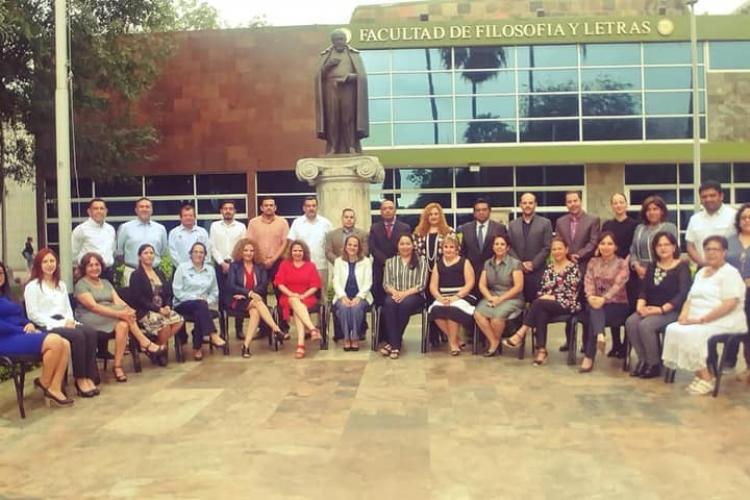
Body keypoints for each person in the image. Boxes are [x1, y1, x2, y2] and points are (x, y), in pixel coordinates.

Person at [663, 236, 748, 395]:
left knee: (693, 334)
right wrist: (683, 315)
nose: (711, 253)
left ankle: (707, 378)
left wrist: (702, 320)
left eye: (715, 249)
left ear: (724, 252)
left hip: (724, 319)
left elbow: (729, 304)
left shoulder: (730, 273)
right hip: (696, 317)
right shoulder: (701, 272)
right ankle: (700, 374)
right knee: (673, 328)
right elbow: (690, 298)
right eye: (708, 249)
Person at [75, 252, 166, 381]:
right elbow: (94, 307)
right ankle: (145, 342)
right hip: (90, 316)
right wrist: (121, 313)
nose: (94, 268)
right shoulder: (81, 285)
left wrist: (129, 310)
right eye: (90, 265)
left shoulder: (106, 282)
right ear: (84, 268)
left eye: (97, 264)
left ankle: (118, 366)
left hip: (110, 314)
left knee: (123, 324)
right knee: (124, 317)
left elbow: (118, 301)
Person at [24, 249, 100, 396]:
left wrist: (70, 321)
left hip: (65, 322)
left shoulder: (61, 285)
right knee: (78, 336)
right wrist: (60, 324)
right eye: (45, 262)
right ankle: (80, 379)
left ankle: (88, 377)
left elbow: (66, 308)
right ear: (39, 265)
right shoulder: (32, 287)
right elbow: (33, 314)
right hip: (46, 325)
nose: (49, 265)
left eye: (52, 261)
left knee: (89, 332)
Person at [0, 261, 72, 407]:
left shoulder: (7, 295)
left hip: (19, 334)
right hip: (5, 339)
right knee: (54, 342)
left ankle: (54, 387)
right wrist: (21, 329)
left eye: (0, 273)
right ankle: (45, 383)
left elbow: (18, 316)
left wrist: (28, 323)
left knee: (65, 343)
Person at [504, 238, 582, 366]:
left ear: (566, 250)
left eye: (559, 249)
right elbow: (543, 289)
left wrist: (554, 297)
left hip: (568, 304)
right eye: (554, 249)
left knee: (538, 304)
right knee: (540, 310)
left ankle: (521, 332)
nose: (557, 252)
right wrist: (546, 296)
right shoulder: (549, 268)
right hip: (547, 304)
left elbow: (572, 292)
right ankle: (541, 350)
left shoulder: (573, 268)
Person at [625, 232, 690, 379]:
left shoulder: (682, 267)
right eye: (659, 245)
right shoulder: (652, 266)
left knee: (645, 325)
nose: (663, 248)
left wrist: (661, 309)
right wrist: (640, 305)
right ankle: (644, 359)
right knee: (631, 321)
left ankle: (654, 364)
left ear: (674, 247)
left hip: (671, 310)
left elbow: (683, 294)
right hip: (651, 307)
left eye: (666, 244)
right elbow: (644, 289)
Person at [554, 190, 600, 352]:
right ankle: (569, 341)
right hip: (566, 268)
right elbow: (558, 242)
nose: (572, 204)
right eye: (569, 201)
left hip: (585, 268)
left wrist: (578, 255)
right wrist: (566, 256)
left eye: (575, 200)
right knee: (569, 304)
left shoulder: (592, 220)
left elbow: (593, 242)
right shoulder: (560, 221)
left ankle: (586, 343)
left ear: (581, 201)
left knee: (586, 307)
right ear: (566, 204)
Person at [579, 232, 630, 373]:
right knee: (594, 310)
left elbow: (618, 285)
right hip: (595, 302)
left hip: (617, 304)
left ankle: (589, 357)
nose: (606, 247)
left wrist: (604, 298)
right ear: (598, 246)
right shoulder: (593, 262)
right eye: (602, 243)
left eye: (609, 244)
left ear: (615, 247)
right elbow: (588, 281)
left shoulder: (622, 264)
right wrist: (590, 296)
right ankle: (600, 335)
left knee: (594, 314)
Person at [314, 28, 369, 155]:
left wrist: (350, 77)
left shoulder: (353, 55)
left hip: (348, 88)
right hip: (331, 88)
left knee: (348, 118)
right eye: (337, 39)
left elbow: (362, 76)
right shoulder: (326, 55)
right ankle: (333, 147)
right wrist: (327, 66)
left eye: (342, 39)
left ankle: (351, 146)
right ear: (333, 41)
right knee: (332, 119)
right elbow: (318, 76)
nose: (340, 42)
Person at [226, 238, 283, 358]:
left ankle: (246, 346)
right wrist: (249, 293)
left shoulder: (260, 266)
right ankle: (276, 329)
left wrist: (252, 294)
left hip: (254, 300)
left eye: (251, 250)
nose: (249, 253)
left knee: (256, 311)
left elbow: (263, 285)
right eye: (246, 250)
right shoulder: (234, 266)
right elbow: (231, 285)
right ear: (240, 251)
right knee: (257, 303)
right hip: (237, 300)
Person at [601, 193, 639, 358]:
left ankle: (625, 345)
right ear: (612, 206)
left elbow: (634, 247)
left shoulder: (635, 224)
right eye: (615, 203)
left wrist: (625, 263)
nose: (618, 205)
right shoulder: (608, 224)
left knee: (628, 308)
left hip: (629, 271)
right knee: (613, 305)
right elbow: (603, 245)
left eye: (621, 202)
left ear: (626, 204)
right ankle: (615, 343)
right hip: (611, 271)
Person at [379, 234, 428, 359]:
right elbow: (386, 283)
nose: (405, 246)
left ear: (412, 245)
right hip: (394, 293)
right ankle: (395, 343)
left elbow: (421, 284)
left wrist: (404, 294)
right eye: (402, 244)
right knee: (389, 304)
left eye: (408, 243)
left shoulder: (421, 261)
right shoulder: (390, 262)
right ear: (397, 246)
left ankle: (393, 344)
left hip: (414, 295)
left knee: (405, 304)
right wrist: (395, 293)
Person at [473, 234, 524, 356]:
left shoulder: (515, 263)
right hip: (492, 296)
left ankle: (493, 345)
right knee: (478, 314)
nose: (499, 247)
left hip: (511, 297)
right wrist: (490, 298)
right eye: (496, 244)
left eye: (502, 244)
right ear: (493, 246)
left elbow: (518, 287)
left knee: (497, 318)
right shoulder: (487, 263)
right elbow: (482, 285)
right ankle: (495, 342)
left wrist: (500, 299)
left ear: (507, 247)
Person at [172, 242, 223, 361]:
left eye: (201, 252)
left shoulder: (210, 270)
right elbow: (177, 292)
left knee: (199, 311)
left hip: (202, 306)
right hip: (182, 304)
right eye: (196, 252)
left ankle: (197, 348)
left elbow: (215, 292)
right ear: (191, 254)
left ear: (205, 255)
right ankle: (212, 334)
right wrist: (196, 298)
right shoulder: (182, 268)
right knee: (200, 305)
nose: (198, 254)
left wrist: (207, 300)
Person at [247, 196, 290, 337]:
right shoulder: (253, 223)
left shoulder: (282, 222)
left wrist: (273, 258)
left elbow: (285, 243)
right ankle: (264, 328)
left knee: (281, 294)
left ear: (275, 207)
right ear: (261, 208)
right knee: (260, 293)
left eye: (271, 205)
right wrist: (261, 258)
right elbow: (250, 242)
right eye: (266, 205)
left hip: (278, 262)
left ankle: (284, 325)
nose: (269, 207)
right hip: (259, 262)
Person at [128, 244, 184, 350]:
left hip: (162, 309)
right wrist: (158, 309)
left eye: (151, 253)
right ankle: (161, 349)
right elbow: (138, 298)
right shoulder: (136, 275)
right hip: (145, 311)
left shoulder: (159, 272)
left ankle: (157, 346)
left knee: (179, 320)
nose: (149, 255)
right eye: (146, 253)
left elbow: (168, 293)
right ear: (140, 257)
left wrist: (167, 306)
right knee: (165, 325)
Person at [274, 240, 322, 359]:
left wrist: (303, 295)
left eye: (300, 250)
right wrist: (292, 294)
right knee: (294, 301)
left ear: (304, 252)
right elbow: (279, 284)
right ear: (291, 252)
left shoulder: (310, 266)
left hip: (307, 296)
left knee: (297, 308)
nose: (297, 253)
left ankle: (301, 344)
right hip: (287, 296)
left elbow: (315, 285)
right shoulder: (284, 264)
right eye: (295, 250)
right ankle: (312, 329)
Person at [428, 235, 476, 356]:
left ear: (457, 249)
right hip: (443, 296)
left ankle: (453, 344)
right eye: (446, 247)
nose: (448, 249)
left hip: (463, 296)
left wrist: (456, 297)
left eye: (451, 247)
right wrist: (439, 298)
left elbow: (470, 283)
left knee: (451, 310)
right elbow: (433, 286)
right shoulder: (438, 264)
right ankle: (455, 339)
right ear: (442, 249)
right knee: (435, 310)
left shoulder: (464, 262)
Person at [209, 200, 247, 339]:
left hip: (237, 265)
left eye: (231, 208)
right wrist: (221, 263)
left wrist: (233, 263)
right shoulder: (214, 226)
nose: (228, 211)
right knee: (221, 297)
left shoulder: (241, 227)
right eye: (225, 208)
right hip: (220, 266)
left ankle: (239, 329)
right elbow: (212, 246)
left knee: (238, 295)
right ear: (221, 211)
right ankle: (223, 331)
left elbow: (243, 246)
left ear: (234, 211)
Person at [458, 198, 507, 300]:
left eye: (484, 209)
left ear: (489, 211)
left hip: (493, 274)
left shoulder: (499, 228)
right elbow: (462, 252)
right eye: (478, 210)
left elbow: (504, 250)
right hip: (471, 274)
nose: (481, 212)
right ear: (474, 213)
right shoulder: (465, 228)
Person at [508, 192, 553, 302]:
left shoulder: (545, 223)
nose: (527, 205)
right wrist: (520, 264)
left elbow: (547, 246)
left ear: (535, 204)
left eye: (530, 203)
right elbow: (509, 247)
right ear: (520, 205)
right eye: (524, 203)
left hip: (538, 271)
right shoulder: (512, 224)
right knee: (518, 303)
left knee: (537, 303)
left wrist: (533, 264)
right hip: (518, 271)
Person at [723, 203, 750, 381]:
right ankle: (728, 361)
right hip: (732, 291)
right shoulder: (729, 240)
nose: (747, 220)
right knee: (732, 326)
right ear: (738, 220)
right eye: (744, 217)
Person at [332, 235, 372, 351]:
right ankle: (346, 337)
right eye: (349, 245)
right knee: (343, 308)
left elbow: (368, 282)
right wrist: (342, 296)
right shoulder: (338, 261)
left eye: (355, 245)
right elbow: (336, 281)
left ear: (359, 247)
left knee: (356, 308)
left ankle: (355, 337)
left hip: (361, 296)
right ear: (345, 246)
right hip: (342, 295)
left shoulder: (366, 261)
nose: (352, 247)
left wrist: (359, 297)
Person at [368, 199, 411, 308]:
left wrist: (394, 262)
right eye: (384, 208)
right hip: (380, 269)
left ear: (395, 210)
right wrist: (386, 261)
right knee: (381, 303)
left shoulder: (404, 227)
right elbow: (373, 248)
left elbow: (406, 246)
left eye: (390, 208)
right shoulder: (374, 228)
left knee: (396, 301)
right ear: (381, 212)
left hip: (399, 269)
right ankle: (381, 325)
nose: (387, 211)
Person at [686, 180, 737, 268]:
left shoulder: (734, 216)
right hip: (703, 268)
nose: (708, 199)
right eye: (704, 197)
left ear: (721, 196)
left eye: (712, 196)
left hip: (729, 267)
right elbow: (690, 246)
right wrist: (702, 262)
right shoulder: (694, 219)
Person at [116, 197, 168, 281]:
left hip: (154, 271)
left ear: (152, 210)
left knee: (156, 294)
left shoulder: (160, 229)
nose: (144, 209)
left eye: (147, 207)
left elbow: (163, 251)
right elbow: (119, 251)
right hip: (132, 271)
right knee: (132, 294)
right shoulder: (125, 227)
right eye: (141, 207)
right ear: (136, 210)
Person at [629, 195, 679, 280]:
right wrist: (637, 266)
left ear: (662, 211)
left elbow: (673, 252)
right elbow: (633, 249)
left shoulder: (669, 227)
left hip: (662, 273)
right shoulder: (639, 228)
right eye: (648, 210)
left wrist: (654, 271)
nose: (652, 212)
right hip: (640, 274)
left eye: (655, 209)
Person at [287, 196, 332, 287]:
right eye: (308, 206)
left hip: (320, 265)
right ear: (304, 208)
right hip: (301, 265)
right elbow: (291, 244)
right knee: (302, 293)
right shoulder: (297, 223)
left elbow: (332, 243)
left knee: (322, 295)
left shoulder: (326, 223)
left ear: (317, 207)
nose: (311, 208)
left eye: (313, 206)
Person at [71, 198, 117, 281]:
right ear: (89, 211)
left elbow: (112, 250)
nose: (99, 211)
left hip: (107, 273)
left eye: (102, 208)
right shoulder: (81, 229)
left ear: (106, 211)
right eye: (95, 209)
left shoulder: (110, 229)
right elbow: (73, 253)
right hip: (88, 273)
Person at [414, 202, 454, 273]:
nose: (433, 216)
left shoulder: (449, 232)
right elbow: (415, 252)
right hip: (422, 271)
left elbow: (455, 251)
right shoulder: (419, 233)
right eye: (430, 214)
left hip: (444, 270)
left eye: (436, 214)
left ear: (440, 216)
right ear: (426, 217)